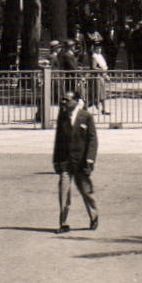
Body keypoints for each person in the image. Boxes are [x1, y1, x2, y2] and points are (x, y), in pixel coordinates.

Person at [53, 90, 100, 232]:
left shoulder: (86, 116)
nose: (64, 103)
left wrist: (90, 160)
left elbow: (93, 140)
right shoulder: (62, 117)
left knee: (86, 192)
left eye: (67, 100)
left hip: (81, 162)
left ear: (76, 101)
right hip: (66, 162)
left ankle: (94, 216)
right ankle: (64, 223)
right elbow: (59, 140)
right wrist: (56, 161)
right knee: (63, 192)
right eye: (63, 100)